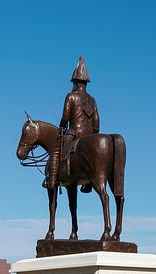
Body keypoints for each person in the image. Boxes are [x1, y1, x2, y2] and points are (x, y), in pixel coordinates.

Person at [44, 56, 100, 193]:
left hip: (74, 133)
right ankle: (88, 184)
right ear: (85, 83)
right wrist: (94, 135)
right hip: (90, 136)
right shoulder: (92, 99)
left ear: (75, 82)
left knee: (57, 149)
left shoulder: (71, 96)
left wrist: (61, 127)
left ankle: (51, 179)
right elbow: (97, 121)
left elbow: (66, 116)